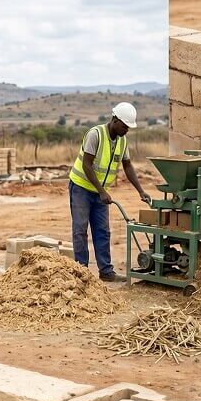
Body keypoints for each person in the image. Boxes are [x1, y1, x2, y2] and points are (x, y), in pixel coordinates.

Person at [68, 102, 152, 282]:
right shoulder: (95, 134)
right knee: (80, 230)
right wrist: (101, 191)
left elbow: (127, 165)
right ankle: (81, 273)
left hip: (100, 192)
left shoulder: (122, 141)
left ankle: (106, 272)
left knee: (103, 232)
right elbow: (87, 165)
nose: (126, 130)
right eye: (124, 126)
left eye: (129, 128)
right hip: (81, 188)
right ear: (114, 120)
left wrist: (141, 191)